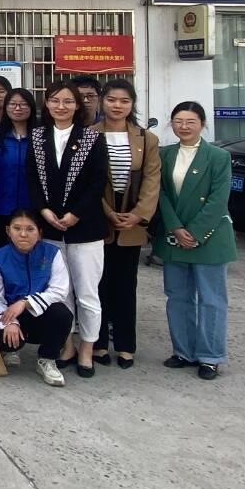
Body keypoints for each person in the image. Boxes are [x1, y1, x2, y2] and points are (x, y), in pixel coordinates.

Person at [27, 79, 108, 377]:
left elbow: (98, 182)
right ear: (47, 104)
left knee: (87, 293)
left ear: (77, 105)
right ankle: (67, 345)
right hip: (50, 228)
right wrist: (44, 211)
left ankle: (87, 347)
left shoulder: (92, 138)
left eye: (68, 101)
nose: (61, 106)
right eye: (55, 100)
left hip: (85, 228)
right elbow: (32, 179)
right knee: (61, 293)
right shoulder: (38, 137)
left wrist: (75, 214)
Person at [154, 102, 235, 381]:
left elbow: (218, 199)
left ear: (202, 124)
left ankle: (210, 357)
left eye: (190, 121)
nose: (184, 126)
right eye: (178, 121)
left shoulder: (218, 156)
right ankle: (183, 351)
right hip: (173, 235)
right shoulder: (164, 154)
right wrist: (175, 227)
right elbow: (160, 193)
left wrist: (196, 232)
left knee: (212, 299)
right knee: (178, 297)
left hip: (209, 237)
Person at [93, 79, 161, 369]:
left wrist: (140, 213)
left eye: (124, 101)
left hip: (132, 219)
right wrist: (107, 211)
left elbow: (152, 179)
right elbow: (89, 181)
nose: (117, 106)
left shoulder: (146, 139)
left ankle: (125, 346)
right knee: (98, 285)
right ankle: (98, 344)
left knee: (125, 286)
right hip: (99, 218)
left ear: (132, 104)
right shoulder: (89, 135)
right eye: (111, 100)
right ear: (102, 101)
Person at [0, 208, 74, 387]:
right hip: (10, 313)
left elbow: (59, 290)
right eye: (17, 228)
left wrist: (25, 303)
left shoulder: (52, 253)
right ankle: (10, 350)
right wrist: (10, 323)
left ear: (39, 233)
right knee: (6, 338)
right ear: (8, 231)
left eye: (30, 229)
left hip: (38, 313)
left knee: (62, 313)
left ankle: (47, 359)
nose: (23, 234)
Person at [0, 88, 37, 250]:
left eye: (23, 104)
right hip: (0, 208)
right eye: (13, 104)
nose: (18, 108)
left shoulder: (41, 137)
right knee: (2, 252)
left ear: (31, 107)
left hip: (32, 207)